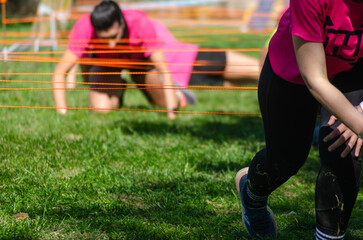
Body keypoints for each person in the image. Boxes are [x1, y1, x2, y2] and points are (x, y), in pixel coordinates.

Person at [235, 0, 363, 239]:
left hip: (353, 70)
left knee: (344, 147)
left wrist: (361, 111)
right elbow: (315, 79)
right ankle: (252, 196)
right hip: (294, 73)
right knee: (286, 160)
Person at [52, 0, 260, 119]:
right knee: (101, 109)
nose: (112, 45)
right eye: (104, 40)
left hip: (170, 61)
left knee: (258, 71)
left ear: (123, 24)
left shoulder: (141, 24)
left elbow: (163, 70)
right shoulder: (85, 28)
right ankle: (120, 88)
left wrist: (171, 114)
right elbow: (63, 70)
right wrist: (62, 113)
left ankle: (181, 94)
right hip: (114, 68)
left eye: (115, 37)